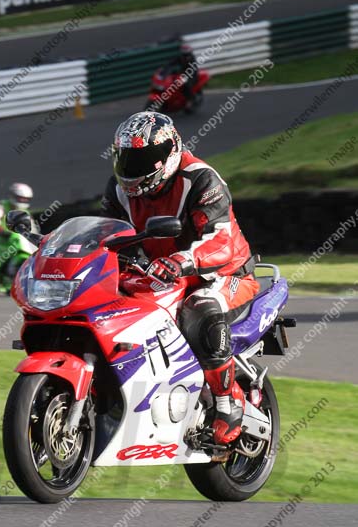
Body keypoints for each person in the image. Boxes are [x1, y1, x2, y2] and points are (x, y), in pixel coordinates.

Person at [101, 111, 259, 446]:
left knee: (200, 306)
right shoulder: (119, 191)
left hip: (224, 273)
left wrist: (183, 260)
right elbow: (106, 235)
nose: (132, 168)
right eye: (127, 158)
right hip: (161, 274)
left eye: (142, 158)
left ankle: (226, 403)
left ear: (169, 152)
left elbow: (221, 241)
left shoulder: (200, 180)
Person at [168, 41, 198, 106]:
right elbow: (173, 61)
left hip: (191, 75)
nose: (184, 51)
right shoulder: (181, 56)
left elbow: (192, 69)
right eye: (183, 49)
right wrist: (168, 65)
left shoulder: (191, 57)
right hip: (182, 75)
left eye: (185, 49)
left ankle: (191, 99)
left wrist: (185, 75)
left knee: (186, 85)